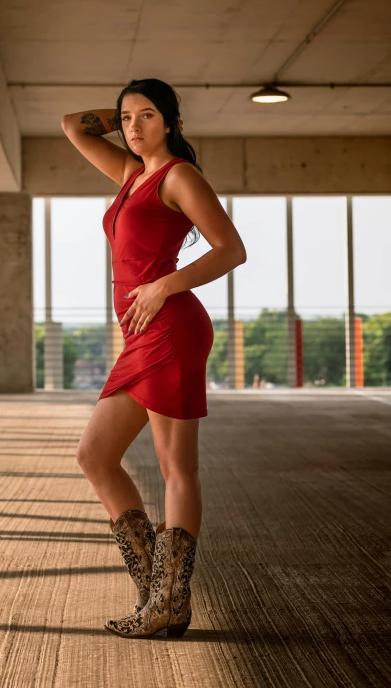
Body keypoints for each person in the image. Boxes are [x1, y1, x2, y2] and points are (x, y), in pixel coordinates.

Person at [61, 78, 246, 639]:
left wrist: (165, 285)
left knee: (175, 467)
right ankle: (157, 593)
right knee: (95, 456)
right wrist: (120, 119)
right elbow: (73, 125)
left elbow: (231, 248)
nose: (135, 127)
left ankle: (168, 599)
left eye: (148, 116)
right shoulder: (130, 174)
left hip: (171, 327)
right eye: (127, 118)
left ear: (170, 122)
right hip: (141, 335)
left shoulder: (178, 176)